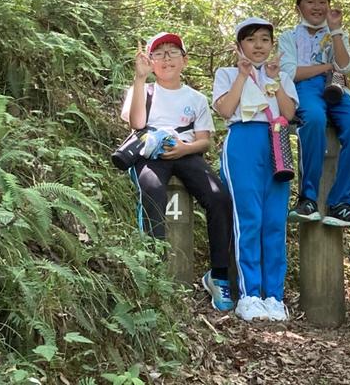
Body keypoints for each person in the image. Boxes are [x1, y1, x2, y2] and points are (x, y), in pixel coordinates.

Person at [122, 32, 233, 312]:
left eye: (173, 52)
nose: (166, 58)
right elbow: (136, 124)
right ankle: (153, 272)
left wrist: (185, 149)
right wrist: (140, 79)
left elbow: (204, 141)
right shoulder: (143, 90)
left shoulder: (196, 98)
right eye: (159, 53)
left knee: (219, 198)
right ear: (150, 61)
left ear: (185, 60)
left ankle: (218, 275)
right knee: (152, 191)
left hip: (186, 153)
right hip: (150, 154)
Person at [213, 18, 299, 322]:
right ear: (239, 46)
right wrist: (242, 75)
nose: (258, 45)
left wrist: (274, 81)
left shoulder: (281, 76)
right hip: (243, 142)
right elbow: (225, 110)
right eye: (250, 39)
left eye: (264, 39)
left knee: (275, 221)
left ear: (272, 44)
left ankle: (274, 296)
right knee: (248, 218)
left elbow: (289, 113)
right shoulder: (226, 74)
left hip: (276, 143)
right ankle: (249, 294)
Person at [278, 0, 350, 227]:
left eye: (322, 2)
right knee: (314, 119)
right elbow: (290, 72)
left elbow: (344, 67)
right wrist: (327, 66)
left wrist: (336, 30)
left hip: (336, 87)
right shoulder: (289, 36)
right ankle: (307, 198)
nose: (317, 7)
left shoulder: (336, 33)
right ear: (299, 7)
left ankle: (341, 202)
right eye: (310, 1)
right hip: (304, 87)